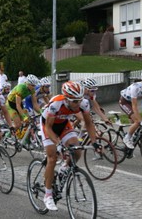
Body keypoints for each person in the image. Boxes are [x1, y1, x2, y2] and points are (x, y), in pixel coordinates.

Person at [40, 81, 100, 211]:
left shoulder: (83, 103)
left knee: (77, 150)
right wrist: (58, 144)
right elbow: (48, 127)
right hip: (48, 126)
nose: (77, 104)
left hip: (63, 124)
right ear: (66, 99)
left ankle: (64, 168)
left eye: (79, 100)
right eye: (74, 101)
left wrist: (94, 142)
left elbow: (89, 124)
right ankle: (48, 194)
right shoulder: (56, 103)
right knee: (53, 157)